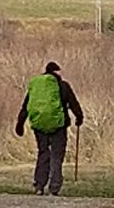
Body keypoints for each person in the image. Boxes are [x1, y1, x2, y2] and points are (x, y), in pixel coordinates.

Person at [14, 61, 85, 196]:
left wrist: (20, 124)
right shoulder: (62, 86)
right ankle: (54, 187)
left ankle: (39, 185)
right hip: (59, 126)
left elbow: (26, 106)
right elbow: (73, 103)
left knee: (43, 153)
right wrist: (79, 117)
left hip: (39, 125)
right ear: (57, 72)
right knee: (57, 156)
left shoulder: (37, 87)